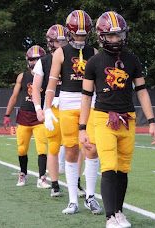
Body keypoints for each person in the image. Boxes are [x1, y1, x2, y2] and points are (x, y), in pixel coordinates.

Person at [79, 11, 155, 228]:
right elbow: (86, 98)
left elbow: (142, 91)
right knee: (109, 166)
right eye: (112, 36)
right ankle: (109, 217)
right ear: (102, 36)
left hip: (128, 118)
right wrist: (82, 127)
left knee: (123, 168)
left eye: (119, 35)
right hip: (103, 117)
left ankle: (119, 212)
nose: (116, 39)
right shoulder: (94, 62)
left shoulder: (132, 59)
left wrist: (151, 122)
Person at [44, 10, 102, 215]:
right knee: (70, 150)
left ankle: (90, 196)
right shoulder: (60, 53)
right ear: (70, 33)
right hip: (68, 102)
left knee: (92, 148)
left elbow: (99, 82)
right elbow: (51, 83)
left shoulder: (94, 52)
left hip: (91, 102)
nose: (80, 39)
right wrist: (47, 107)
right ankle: (72, 201)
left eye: (84, 35)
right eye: (77, 35)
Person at [3, 45, 51, 189]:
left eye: (38, 59)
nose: (35, 62)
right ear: (28, 60)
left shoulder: (47, 76)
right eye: (33, 59)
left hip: (39, 116)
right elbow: (14, 96)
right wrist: (7, 114)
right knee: (22, 149)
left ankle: (42, 177)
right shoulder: (22, 76)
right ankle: (23, 173)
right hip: (24, 116)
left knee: (42, 148)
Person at [32, 24, 67, 197]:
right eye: (58, 41)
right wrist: (39, 109)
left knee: (76, 146)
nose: (61, 44)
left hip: (71, 105)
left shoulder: (73, 58)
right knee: (53, 146)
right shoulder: (43, 61)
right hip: (52, 107)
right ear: (51, 42)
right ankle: (54, 184)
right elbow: (36, 88)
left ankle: (77, 183)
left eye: (63, 40)